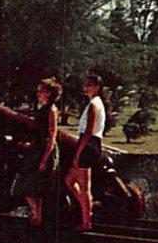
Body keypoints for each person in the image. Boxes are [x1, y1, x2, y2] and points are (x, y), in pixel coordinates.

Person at [17, 78, 62, 227]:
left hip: (44, 151)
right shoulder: (43, 109)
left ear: (49, 93)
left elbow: (52, 135)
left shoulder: (51, 110)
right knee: (33, 186)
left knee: (34, 186)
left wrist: (45, 159)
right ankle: (37, 215)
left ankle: (37, 215)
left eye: (41, 91)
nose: (38, 94)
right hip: (38, 149)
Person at [64, 74, 106, 231]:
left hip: (88, 145)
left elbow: (88, 132)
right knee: (69, 180)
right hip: (91, 144)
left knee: (83, 187)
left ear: (97, 87)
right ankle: (86, 206)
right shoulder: (95, 104)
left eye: (89, 85)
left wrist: (78, 152)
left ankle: (86, 221)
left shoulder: (94, 105)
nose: (86, 87)